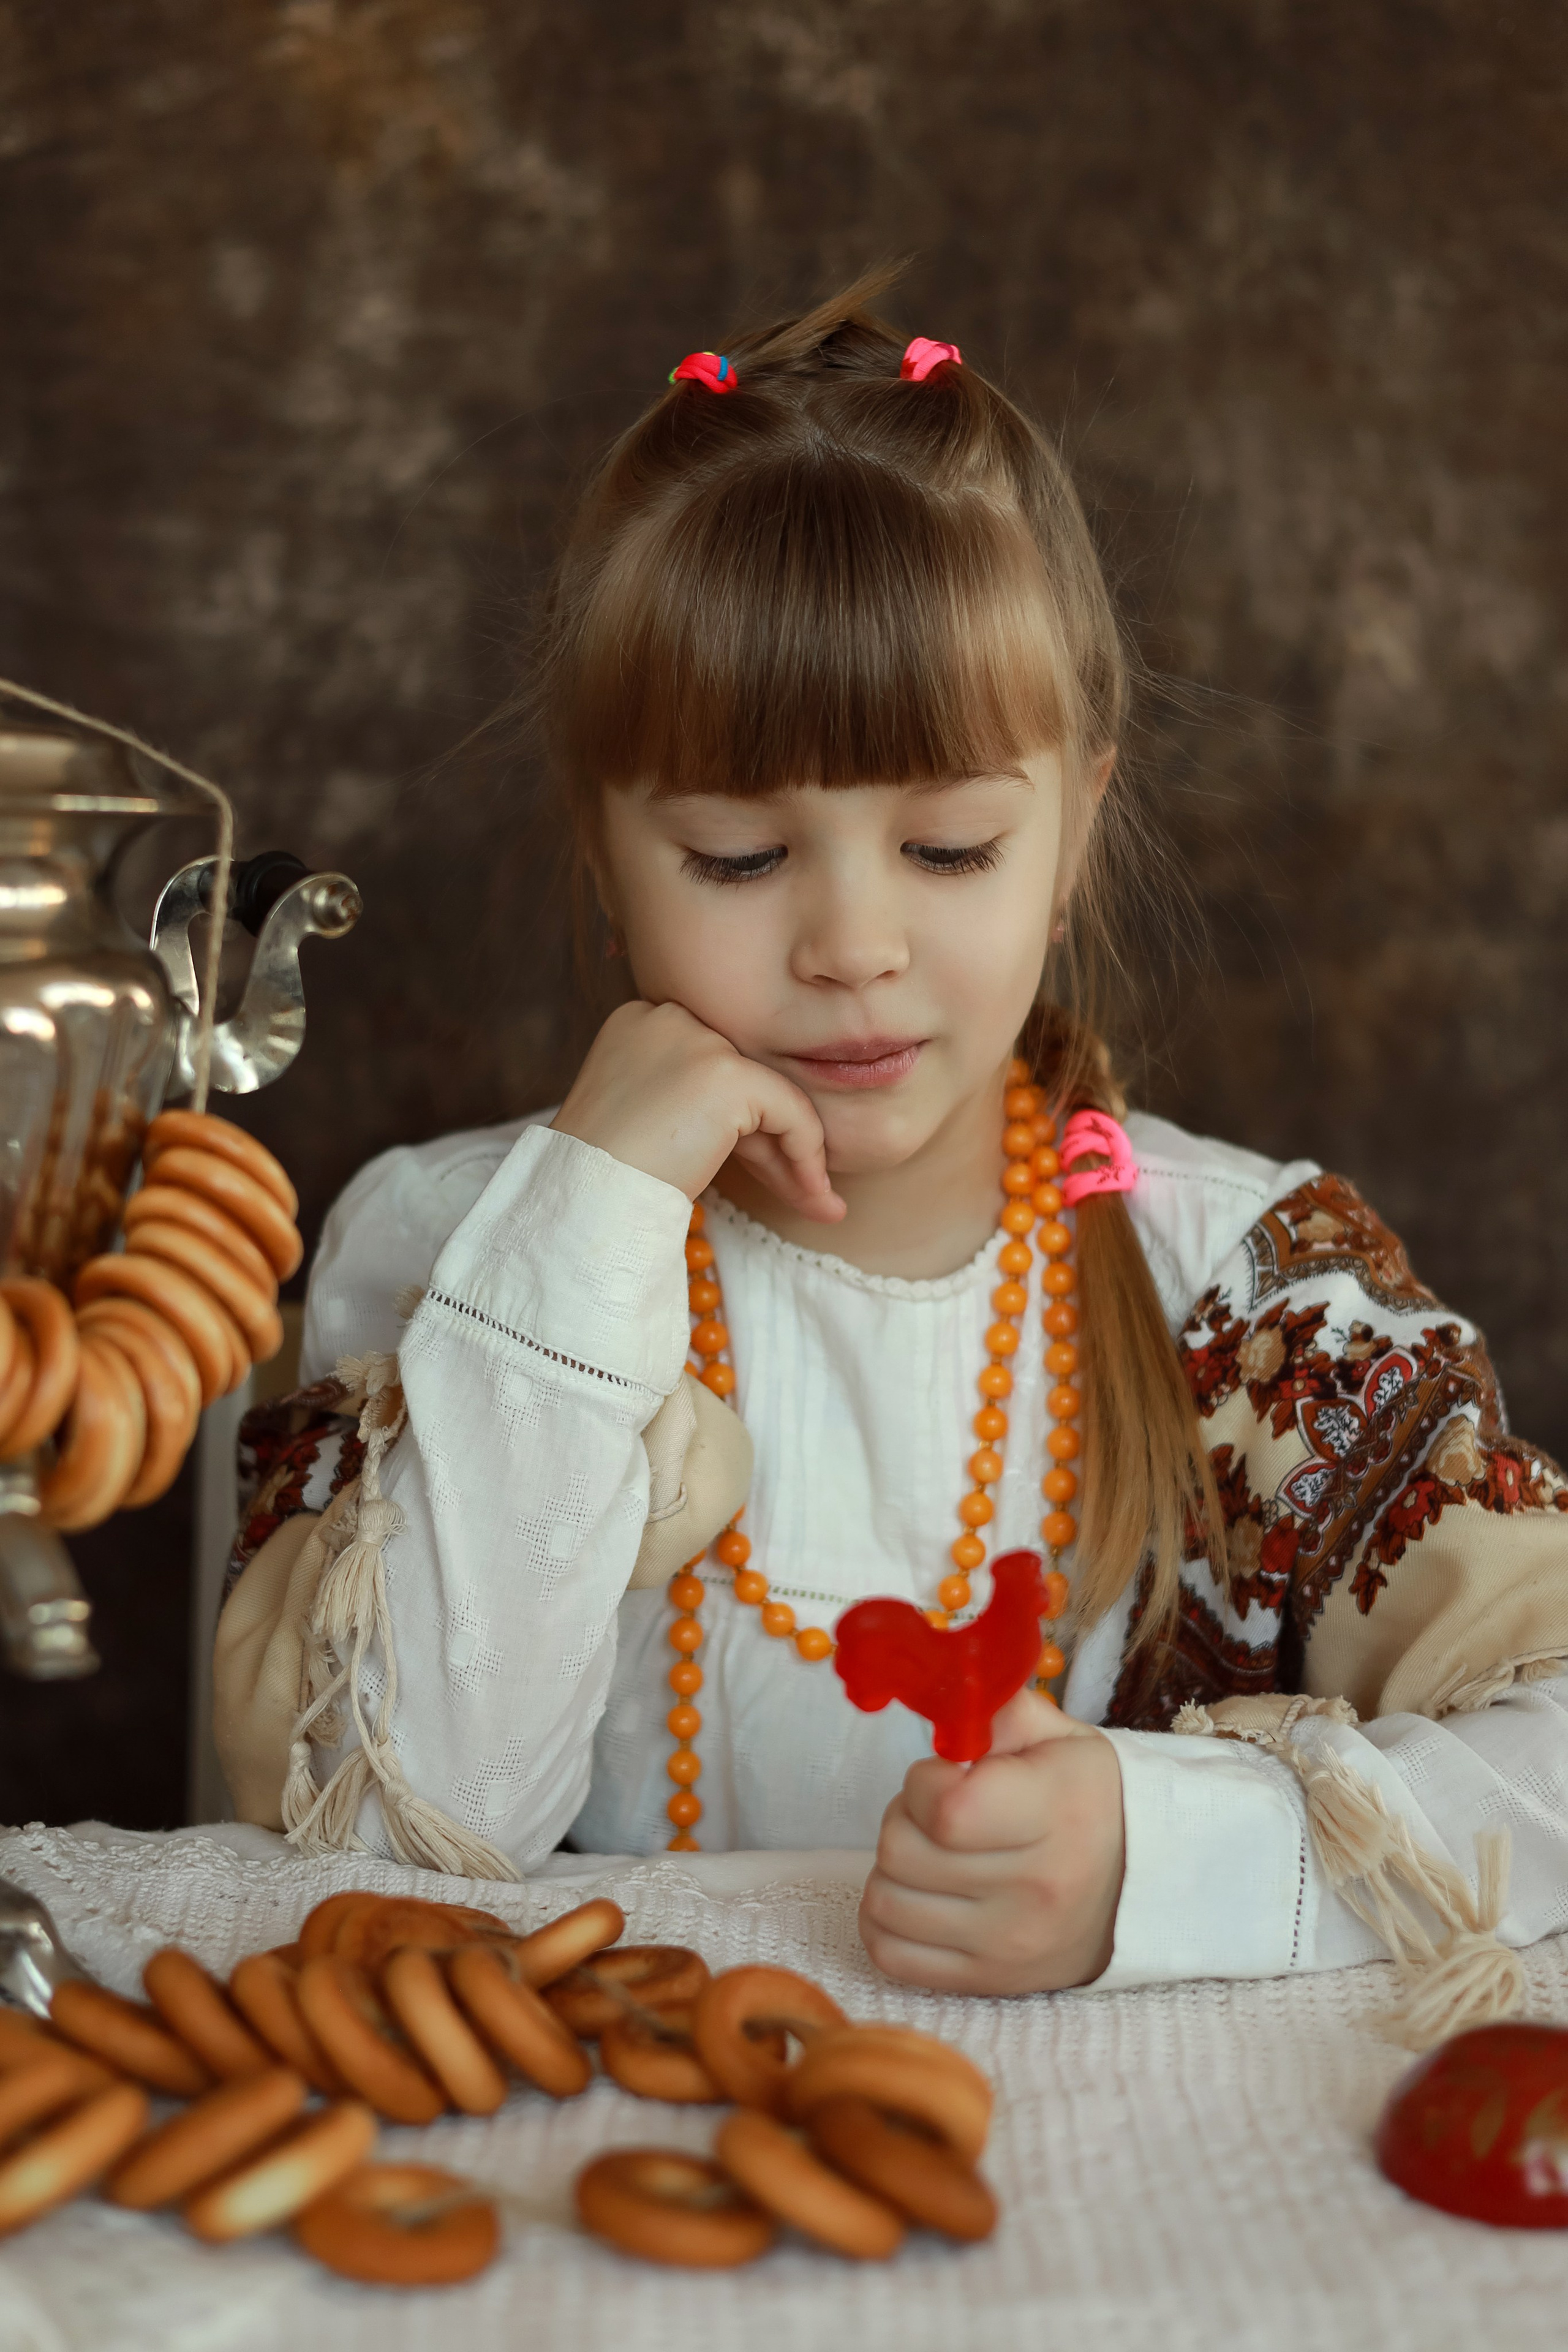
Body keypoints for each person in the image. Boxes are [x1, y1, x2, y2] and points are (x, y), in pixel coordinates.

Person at [213, 274, 1568, 2034]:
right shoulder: (456, 1253)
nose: (852, 944)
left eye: (944, 848)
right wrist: (586, 1234)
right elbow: (365, 1847)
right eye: (732, 857)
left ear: (1079, 825)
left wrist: (1171, 1856)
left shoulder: (1256, 1295)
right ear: (607, 849)